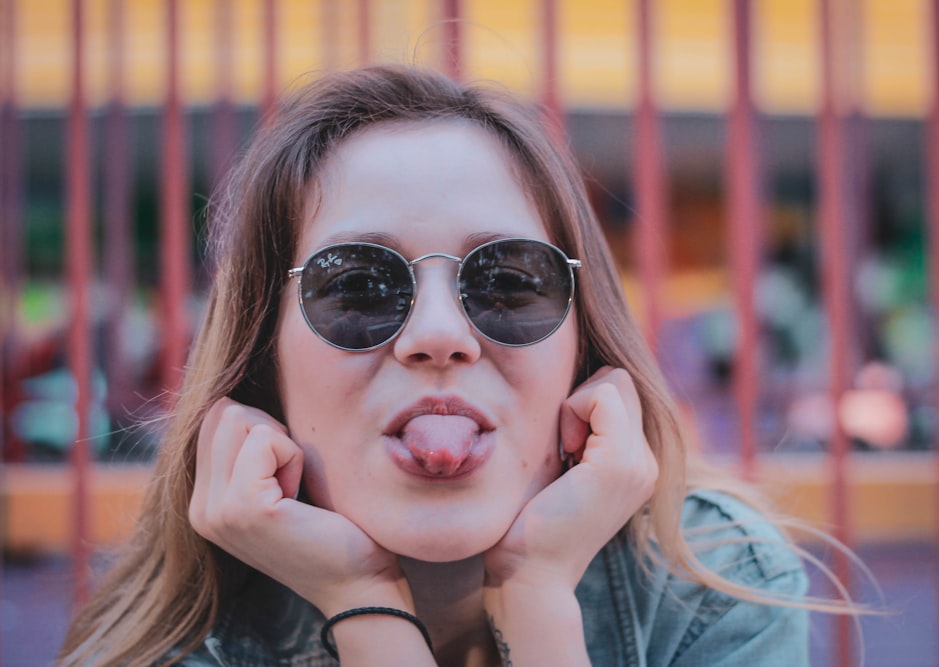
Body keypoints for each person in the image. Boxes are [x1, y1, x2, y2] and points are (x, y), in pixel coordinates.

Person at [58, 65, 847, 667]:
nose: (440, 335)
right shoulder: (182, 644)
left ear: (584, 341)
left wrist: (536, 598)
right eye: (358, 284)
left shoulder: (712, 587)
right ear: (263, 353)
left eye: (506, 279)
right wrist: (360, 603)